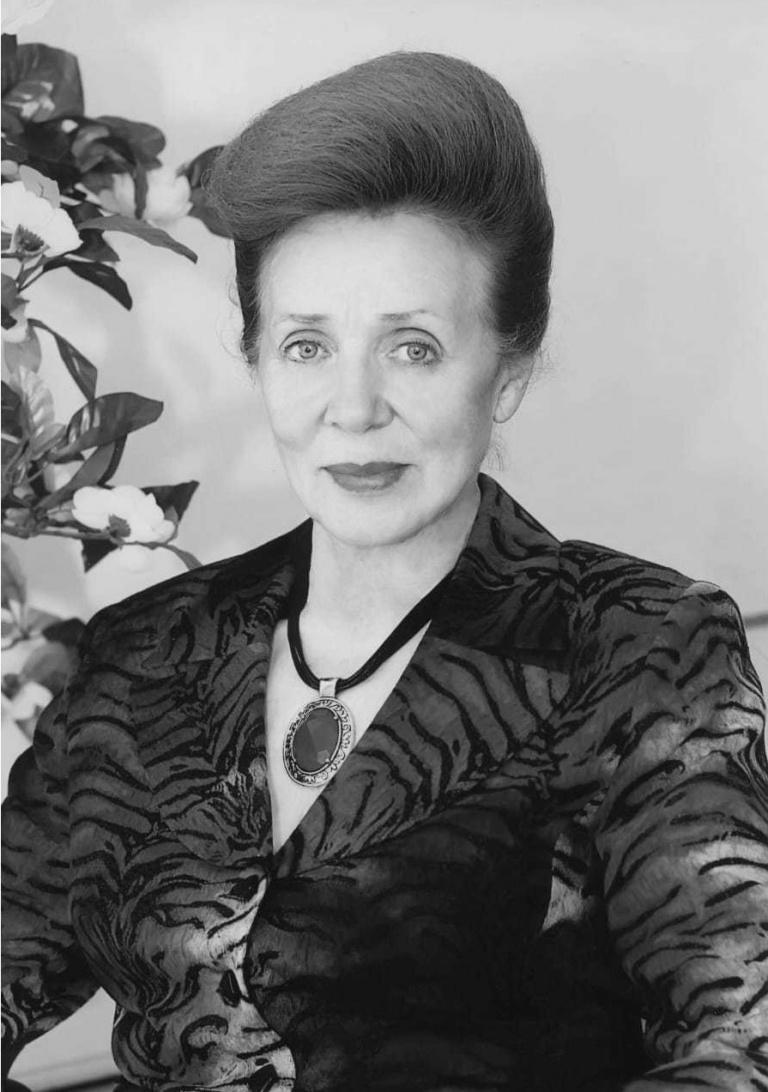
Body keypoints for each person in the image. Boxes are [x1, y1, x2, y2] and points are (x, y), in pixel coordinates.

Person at [2, 50, 767, 1092]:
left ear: (508, 366)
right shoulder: (143, 655)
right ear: (255, 357)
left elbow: (736, 1050)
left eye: (412, 347)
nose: (354, 409)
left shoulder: (641, 645)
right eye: (307, 346)